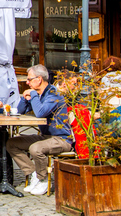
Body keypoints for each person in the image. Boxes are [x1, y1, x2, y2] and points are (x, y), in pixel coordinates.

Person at [6, 64, 73, 196]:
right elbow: (19, 111)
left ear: (39, 79)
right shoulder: (38, 94)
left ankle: (43, 180)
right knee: (12, 143)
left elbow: (41, 112)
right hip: (46, 136)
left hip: (61, 139)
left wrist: (33, 95)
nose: (27, 82)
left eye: (29, 79)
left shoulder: (53, 94)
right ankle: (33, 174)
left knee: (35, 148)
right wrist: (26, 99)